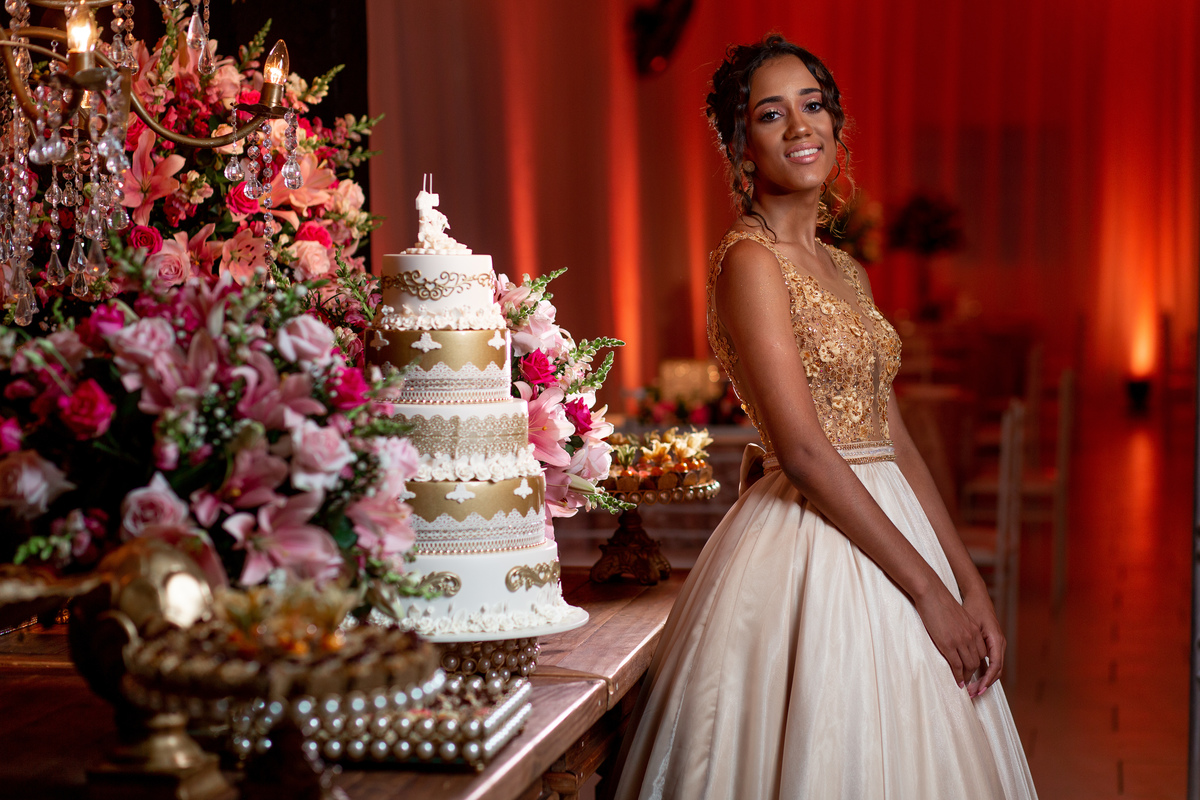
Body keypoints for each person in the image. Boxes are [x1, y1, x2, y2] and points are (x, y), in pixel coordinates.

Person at [608, 34, 1038, 800]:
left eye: (812, 106)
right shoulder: (749, 261)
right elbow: (804, 451)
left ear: (836, 126)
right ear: (744, 150)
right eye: (771, 115)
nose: (800, 127)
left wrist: (968, 583)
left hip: (892, 517)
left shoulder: (846, 268)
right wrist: (928, 596)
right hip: (809, 534)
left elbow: (893, 434)